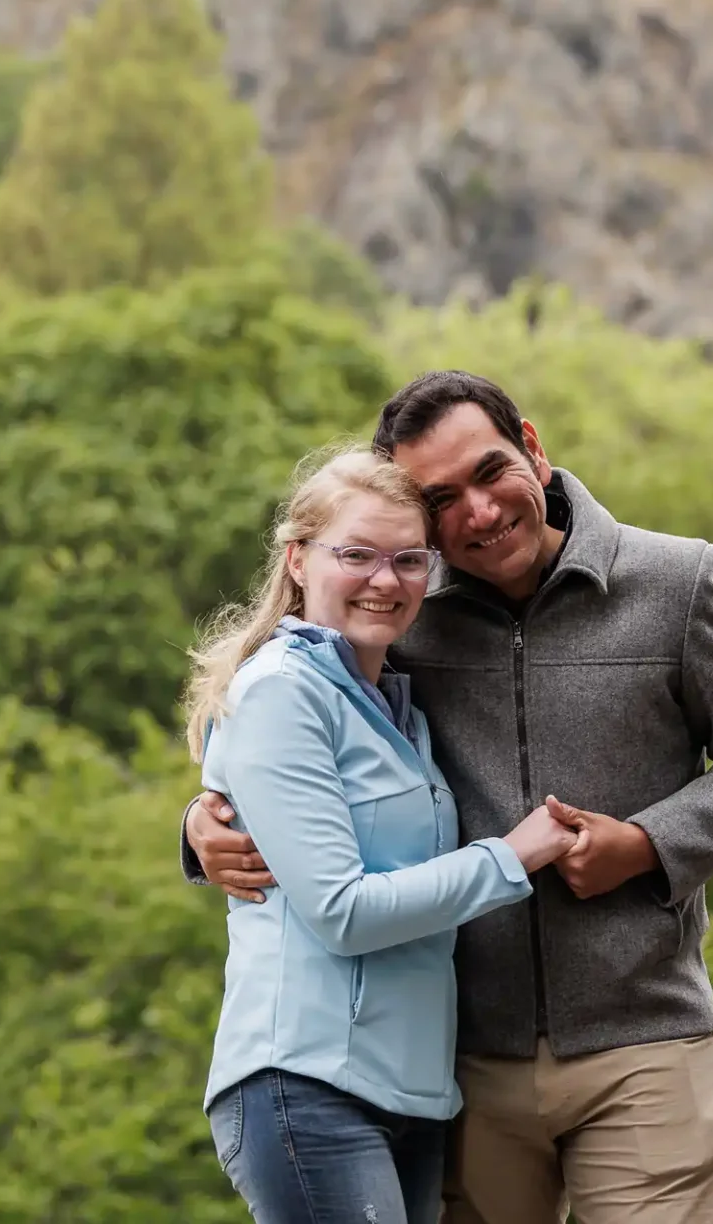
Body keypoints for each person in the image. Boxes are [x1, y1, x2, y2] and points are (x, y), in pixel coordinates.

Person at [184, 372, 713, 1224]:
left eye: (491, 472)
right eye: (442, 499)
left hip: (644, 1038)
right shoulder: (404, 608)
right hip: (460, 1061)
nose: (479, 513)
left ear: (533, 445)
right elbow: (286, 738)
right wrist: (202, 829)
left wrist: (649, 843)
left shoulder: (675, 583)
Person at [184, 446, 583, 1224]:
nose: (385, 580)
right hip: (307, 1083)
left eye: (409, 560)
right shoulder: (282, 692)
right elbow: (342, 911)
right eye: (357, 555)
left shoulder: (394, 705)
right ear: (298, 559)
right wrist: (511, 857)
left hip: (409, 1093)